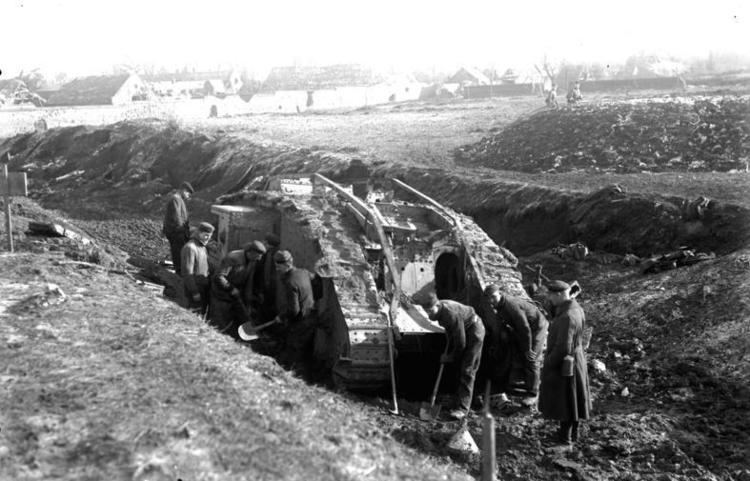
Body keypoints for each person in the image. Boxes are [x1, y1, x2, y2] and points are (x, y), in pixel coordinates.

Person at [539, 280, 592, 447]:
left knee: (566, 400)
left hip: (566, 363)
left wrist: (548, 363)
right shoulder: (577, 309)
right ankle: (572, 434)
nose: (549, 298)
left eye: (551, 295)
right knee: (574, 399)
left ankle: (564, 438)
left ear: (561, 294)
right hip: (577, 359)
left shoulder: (566, 316)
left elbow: (563, 347)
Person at [419, 292, 485, 420]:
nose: (428, 314)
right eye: (426, 311)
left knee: (468, 369)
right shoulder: (440, 311)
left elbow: (461, 342)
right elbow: (452, 331)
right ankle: (460, 398)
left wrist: (450, 356)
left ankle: (463, 409)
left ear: (438, 305)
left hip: (474, 330)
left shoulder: (450, 313)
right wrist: (449, 351)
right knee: (458, 366)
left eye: (430, 310)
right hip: (463, 329)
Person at [484, 285, 548, 407]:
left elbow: (525, 328)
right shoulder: (498, 305)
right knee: (516, 352)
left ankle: (533, 394)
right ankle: (519, 384)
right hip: (522, 329)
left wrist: (528, 348)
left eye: (493, 297)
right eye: (488, 298)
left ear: (500, 294)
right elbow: (500, 326)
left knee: (531, 359)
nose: (491, 300)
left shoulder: (510, 305)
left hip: (536, 327)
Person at [208, 240, 266, 337]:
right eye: (258, 255)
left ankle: (236, 338)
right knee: (220, 321)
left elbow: (249, 281)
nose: (259, 259)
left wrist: (248, 300)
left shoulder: (253, 261)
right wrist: (231, 288)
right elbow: (219, 276)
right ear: (251, 252)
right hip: (221, 295)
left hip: (235, 295)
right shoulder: (232, 258)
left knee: (237, 319)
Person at [274, 250, 316, 369]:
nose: (277, 269)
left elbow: (294, 311)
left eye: (279, 266)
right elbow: (316, 282)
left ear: (287, 264)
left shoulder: (290, 282)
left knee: (294, 352)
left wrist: (280, 317)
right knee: (305, 351)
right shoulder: (304, 272)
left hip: (301, 321)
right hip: (311, 316)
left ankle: (293, 374)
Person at [181, 222, 214, 315]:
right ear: (199, 233)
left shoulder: (202, 246)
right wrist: (194, 291)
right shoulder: (190, 248)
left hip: (203, 287)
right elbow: (187, 273)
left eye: (210, 236)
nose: (208, 238)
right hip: (195, 288)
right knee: (194, 313)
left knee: (202, 313)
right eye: (206, 235)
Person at [162, 182, 194, 275]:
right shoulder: (175, 199)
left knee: (178, 253)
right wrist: (183, 231)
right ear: (183, 190)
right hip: (176, 232)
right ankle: (179, 274)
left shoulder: (178, 199)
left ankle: (179, 272)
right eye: (188, 193)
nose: (188, 196)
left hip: (177, 231)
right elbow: (177, 218)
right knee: (178, 254)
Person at [258, 233, 282, 321]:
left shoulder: (273, 254)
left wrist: (263, 288)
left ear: (269, 244)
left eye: (265, 242)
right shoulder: (268, 253)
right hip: (267, 286)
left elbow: (268, 273)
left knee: (268, 307)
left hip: (271, 287)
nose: (263, 243)